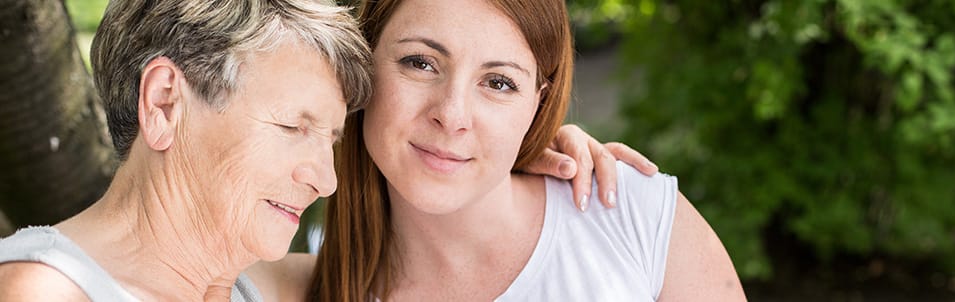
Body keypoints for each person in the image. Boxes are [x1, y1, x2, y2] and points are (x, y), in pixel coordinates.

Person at [0, 0, 655, 300]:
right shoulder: (41, 291)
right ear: (167, 102)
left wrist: (518, 152)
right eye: (293, 127)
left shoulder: (267, 288)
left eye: (332, 139)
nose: (326, 179)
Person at [308, 0, 747, 301]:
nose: (453, 114)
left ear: (537, 103)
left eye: (499, 83)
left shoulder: (630, 212)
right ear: (361, 63)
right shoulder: (295, 287)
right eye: (420, 63)